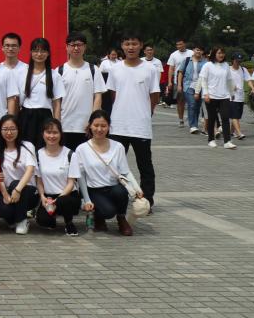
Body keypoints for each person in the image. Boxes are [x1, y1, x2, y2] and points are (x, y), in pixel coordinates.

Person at [107, 32, 160, 207]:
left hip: (140, 126)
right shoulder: (115, 69)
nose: (131, 47)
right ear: (122, 46)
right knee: (114, 165)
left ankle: (147, 200)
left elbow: (154, 95)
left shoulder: (150, 69)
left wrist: (146, 113)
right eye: (127, 44)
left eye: (134, 43)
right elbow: (112, 95)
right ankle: (114, 199)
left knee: (145, 165)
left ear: (141, 45)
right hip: (118, 125)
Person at [70, 110, 142, 236]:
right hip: (94, 190)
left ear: (108, 127)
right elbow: (81, 177)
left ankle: (121, 219)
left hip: (113, 187)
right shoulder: (82, 149)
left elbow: (125, 172)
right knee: (108, 212)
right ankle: (98, 216)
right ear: (90, 126)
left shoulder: (118, 147)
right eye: (96, 125)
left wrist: (137, 188)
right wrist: (87, 200)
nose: (99, 129)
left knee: (121, 192)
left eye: (103, 126)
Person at [55, 32, 105, 151]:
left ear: (85, 47)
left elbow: (98, 97)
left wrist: (93, 122)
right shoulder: (59, 71)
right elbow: (56, 101)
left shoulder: (93, 70)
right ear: (67, 47)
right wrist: (57, 123)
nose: (76, 48)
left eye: (79, 45)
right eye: (72, 45)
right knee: (66, 160)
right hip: (65, 126)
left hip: (86, 127)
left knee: (86, 159)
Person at [0, 114, 38, 234]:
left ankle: (21, 220)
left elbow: (30, 170)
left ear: (18, 129)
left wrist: (17, 190)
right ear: (0, 130)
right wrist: (5, 194)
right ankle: (12, 219)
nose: (9, 133)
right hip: (8, 191)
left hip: (28, 192)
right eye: (5, 129)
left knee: (15, 184)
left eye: (12, 129)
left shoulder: (28, 146)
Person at [33, 119, 81, 236]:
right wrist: (42, 197)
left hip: (67, 195)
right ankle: (51, 217)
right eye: (48, 132)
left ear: (61, 134)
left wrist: (58, 200)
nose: (51, 136)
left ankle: (69, 223)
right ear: (43, 134)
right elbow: (39, 181)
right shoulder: (38, 154)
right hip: (48, 197)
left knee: (64, 202)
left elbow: (71, 183)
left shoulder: (70, 154)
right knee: (44, 221)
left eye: (55, 132)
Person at [14, 38, 64, 149]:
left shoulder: (55, 75)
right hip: (26, 117)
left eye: (43, 51)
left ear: (48, 53)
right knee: (25, 149)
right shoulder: (21, 73)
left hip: (45, 117)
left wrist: (57, 125)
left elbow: (57, 104)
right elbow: (16, 101)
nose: (39, 54)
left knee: (44, 149)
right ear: (31, 53)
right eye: (36, 51)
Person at [198, 46, 236, 149]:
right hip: (211, 96)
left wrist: (232, 93)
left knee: (225, 117)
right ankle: (211, 140)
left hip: (224, 96)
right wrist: (205, 93)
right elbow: (203, 80)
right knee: (211, 118)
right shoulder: (208, 65)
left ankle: (227, 141)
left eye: (222, 53)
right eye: (219, 53)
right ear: (214, 54)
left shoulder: (226, 65)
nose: (221, 55)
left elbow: (229, 80)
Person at [178, 44, 207, 135]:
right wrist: (179, 85)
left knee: (197, 106)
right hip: (188, 86)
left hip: (201, 86)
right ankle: (192, 126)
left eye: (200, 50)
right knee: (192, 104)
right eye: (197, 49)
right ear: (193, 50)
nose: (198, 51)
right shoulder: (187, 60)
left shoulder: (205, 62)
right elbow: (180, 73)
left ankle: (195, 124)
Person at [165, 39, 193, 127]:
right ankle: (181, 119)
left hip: (190, 80)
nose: (179, 46)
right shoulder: (174, 55)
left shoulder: (191, 53)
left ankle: (192, 120)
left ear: (185, 44)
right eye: (177, 45)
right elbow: (171, 69)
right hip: (178, 81)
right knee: (180, 101)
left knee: (191, 101)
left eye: (180, 44)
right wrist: (169, 82)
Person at [227, 53, 253, 140]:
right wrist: (231, 86)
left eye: (240, 61)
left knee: (237, 115)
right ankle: (239, 133)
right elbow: (223, 81)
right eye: (236, 61)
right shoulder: (228, 70)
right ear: (232, 60)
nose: (238, 62)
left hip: (240, 96)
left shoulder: (243, 69)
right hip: (231, 96)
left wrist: (253, 88)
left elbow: (248, 80)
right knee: (235, 116)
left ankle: (231, 132)